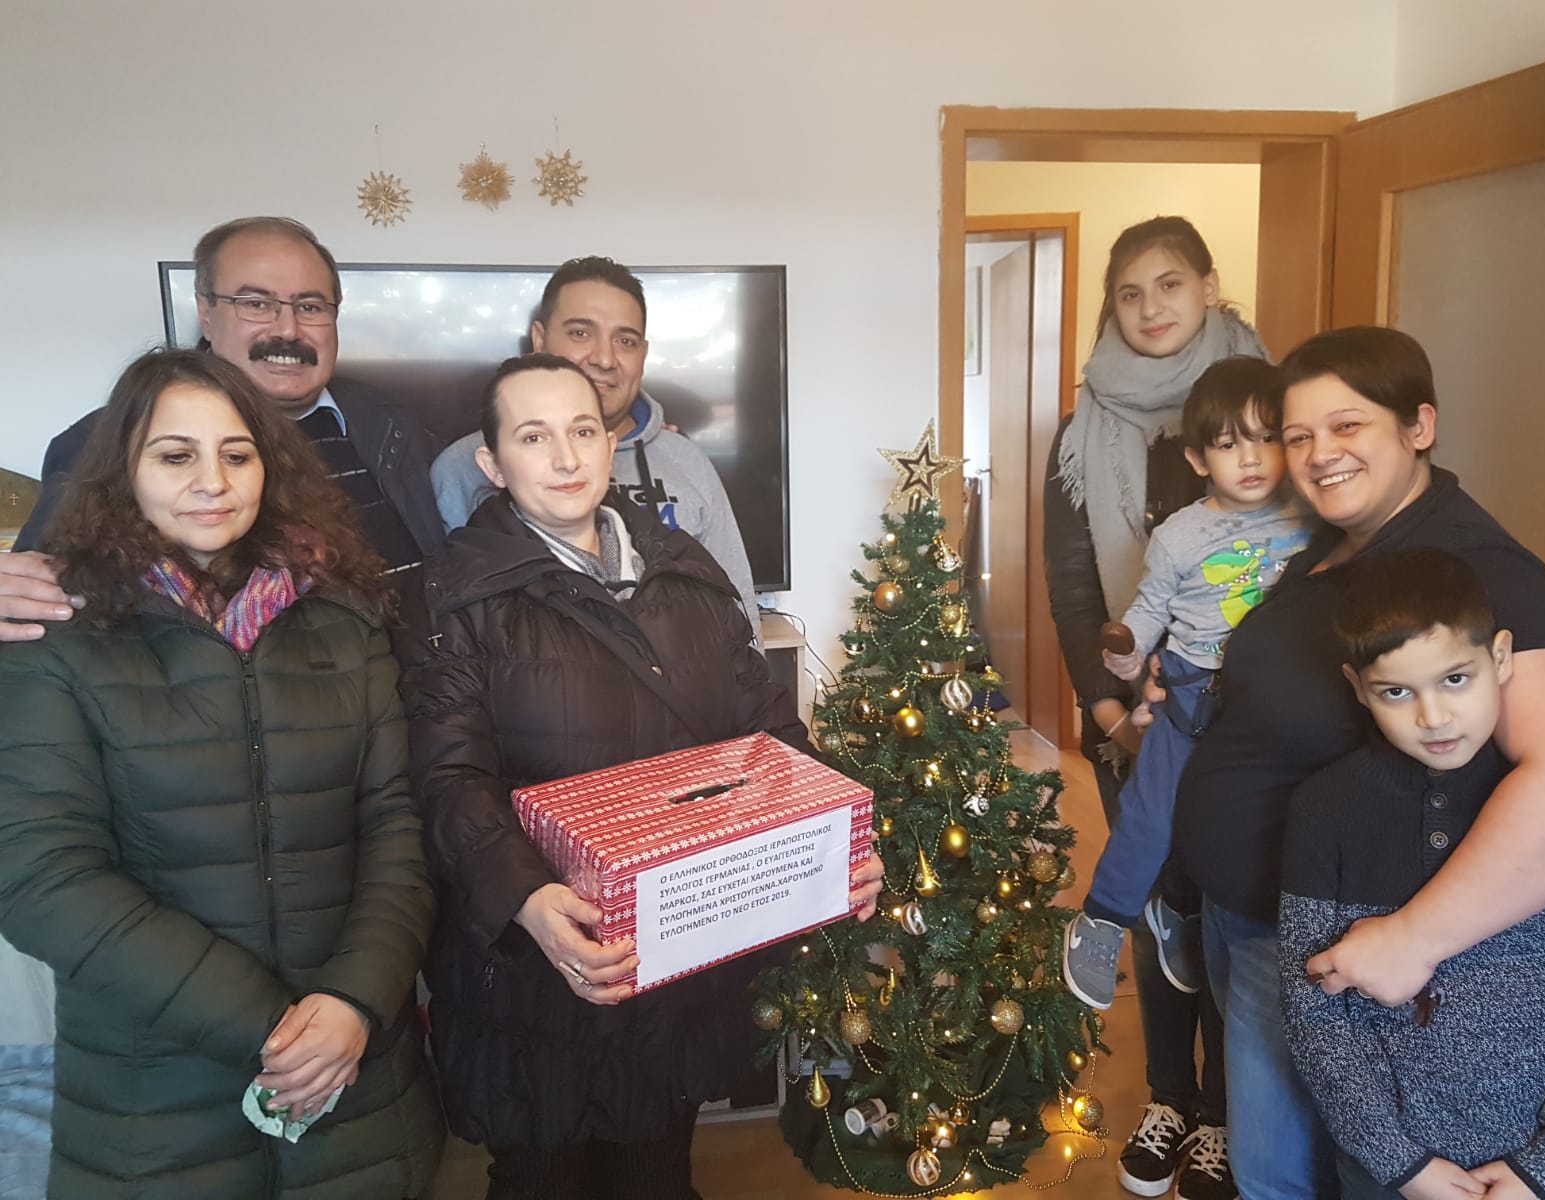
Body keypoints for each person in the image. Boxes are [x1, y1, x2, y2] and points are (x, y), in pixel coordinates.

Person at [404, 353, 884, 1199]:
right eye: (533, 437)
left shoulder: (682, 570)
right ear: (492, 463)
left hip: (671, 953)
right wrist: (525, 898)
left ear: (611, 441)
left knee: (656, 1169)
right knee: (541, 1178)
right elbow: (449, 780)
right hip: (537, 976)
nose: (566, 458)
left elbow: (768, 734)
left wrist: (836, 841)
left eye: (583, 431)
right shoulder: (452, 597)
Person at [0, 348, 443, 1198]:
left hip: (357, 1080)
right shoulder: (53, 634)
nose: (213, 481)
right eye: (176, 455)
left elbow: (397, 826)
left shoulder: (344, 616)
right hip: (155, 1096)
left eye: (237, 454)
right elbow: (39, 875)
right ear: (122, 472)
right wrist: (270, 1029)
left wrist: (355, 1004)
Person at [1170, 326, 1545, 1200]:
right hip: (1248, 918)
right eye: (1298, 435)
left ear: (1419, 426)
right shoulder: (1336, 546)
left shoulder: (1473, 570)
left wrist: (1414, 939)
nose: (1318, 454)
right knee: (1273, 1170)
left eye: (1347, 426)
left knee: (1291, 1180)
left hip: (1334, 949)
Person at [1044, 216, 1264, 1200]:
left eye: (1170, 283)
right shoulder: (1083, 426)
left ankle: (1223, 1116)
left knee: (1233, 912)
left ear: (1208, 286)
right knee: (1151, 897)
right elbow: (1071, 582)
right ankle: (1170, 1098)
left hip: (1257, 721)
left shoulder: (1268, 405)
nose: (1150, 307)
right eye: (1129, 293)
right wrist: (1105, 708)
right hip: (1136, 710)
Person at [1280, 548, 1545, 1200]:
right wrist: (1400, 1162)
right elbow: (1313, 1007)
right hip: (1392, 1174)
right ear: (1358, 686)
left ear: (1501, 658)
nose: (1433, 718)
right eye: (1397, 692)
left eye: (1455, 679)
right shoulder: (1324, 809)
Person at [0, 215, 443, 641]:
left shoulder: (386, 417)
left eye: (310, 307)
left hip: (434, 675)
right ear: (206, 313)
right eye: (256, 304)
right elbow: (40, 592)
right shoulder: (111, 437)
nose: (288, 329)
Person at [1062, 356, 1309, 1013]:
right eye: (1229, 445)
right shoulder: (1180, 535)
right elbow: (1149, 610)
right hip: (1191, 690)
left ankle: (1179, 909)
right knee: (1153, 813)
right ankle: (1102, 920)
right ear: (1199, 459)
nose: (1250, 458)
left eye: (1266, 438)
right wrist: (1127, 656)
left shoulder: (1309, 519)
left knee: (1230, 818)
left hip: (1268, 698)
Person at [429, 255, 763, 643]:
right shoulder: (461, 469)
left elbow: (738, 613)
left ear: (643, 354)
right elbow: (450, 622)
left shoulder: (686, 462)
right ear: (539, 339)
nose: (604, 359)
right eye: (580, 333)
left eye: (625, 341)